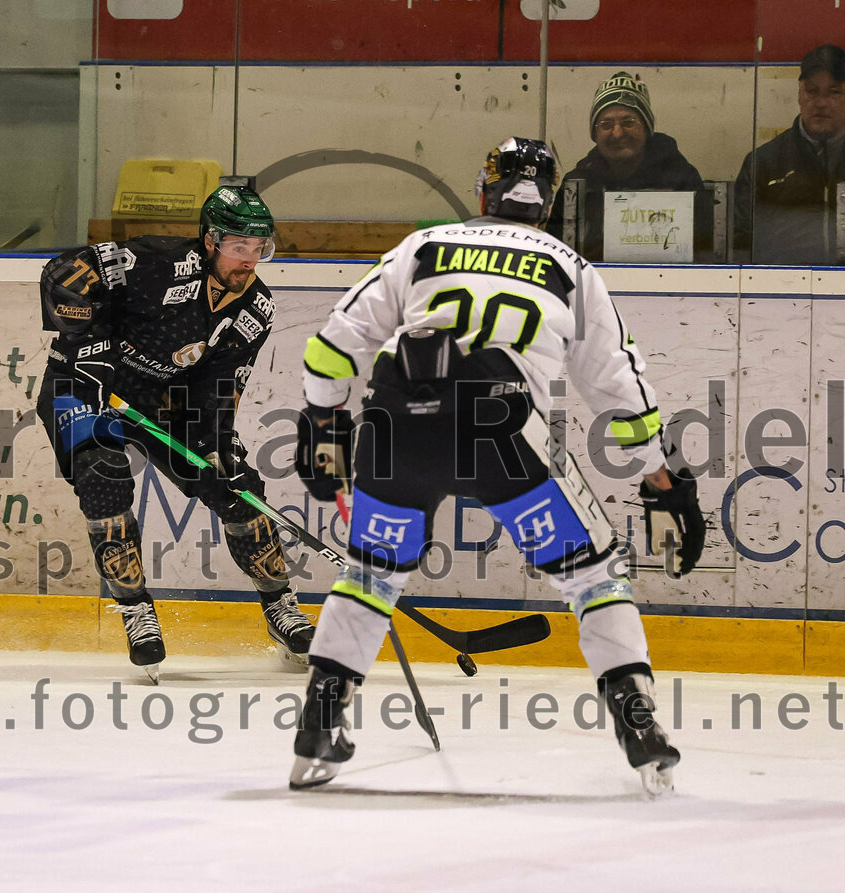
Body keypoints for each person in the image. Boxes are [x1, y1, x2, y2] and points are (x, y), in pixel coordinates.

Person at [290, 138, 706, 795]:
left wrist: (321, 424)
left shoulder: (424, 246)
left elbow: (332, 346)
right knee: (593, 572)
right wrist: (662, 475)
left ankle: (319, 719)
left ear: (486, 189)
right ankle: (638, 720)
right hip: (501, 427)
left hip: (398, 419)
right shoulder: (569, 265)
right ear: (550, 201)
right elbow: (619, 387)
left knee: (371, 572)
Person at [36, 184, 315, 677]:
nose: (248, 260)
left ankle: (280, 607)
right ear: (210, 241)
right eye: (237, 247)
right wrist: (87, 346)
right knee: (104, 478)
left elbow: (220, 388)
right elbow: (64, 275)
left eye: (258, 249)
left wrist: (217, 447)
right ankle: (137, 610)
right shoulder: (157, 263)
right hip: (81, 384)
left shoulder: (256, 311)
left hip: (165, 399)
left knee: (238, 489)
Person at [546, 71, 710, 261]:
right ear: (595, 133)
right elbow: (554, 256)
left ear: (646, 128)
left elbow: (704, 253)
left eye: (628, 122)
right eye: (606, 124)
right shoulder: (576, 185)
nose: (617, 133)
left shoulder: (681, 179)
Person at [734, 44, 845, 264]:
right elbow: (741, 244)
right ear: (799, 94)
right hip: (783, 291)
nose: (821, 103)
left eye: (834, 92)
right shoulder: (763, 162)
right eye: (812, 91)